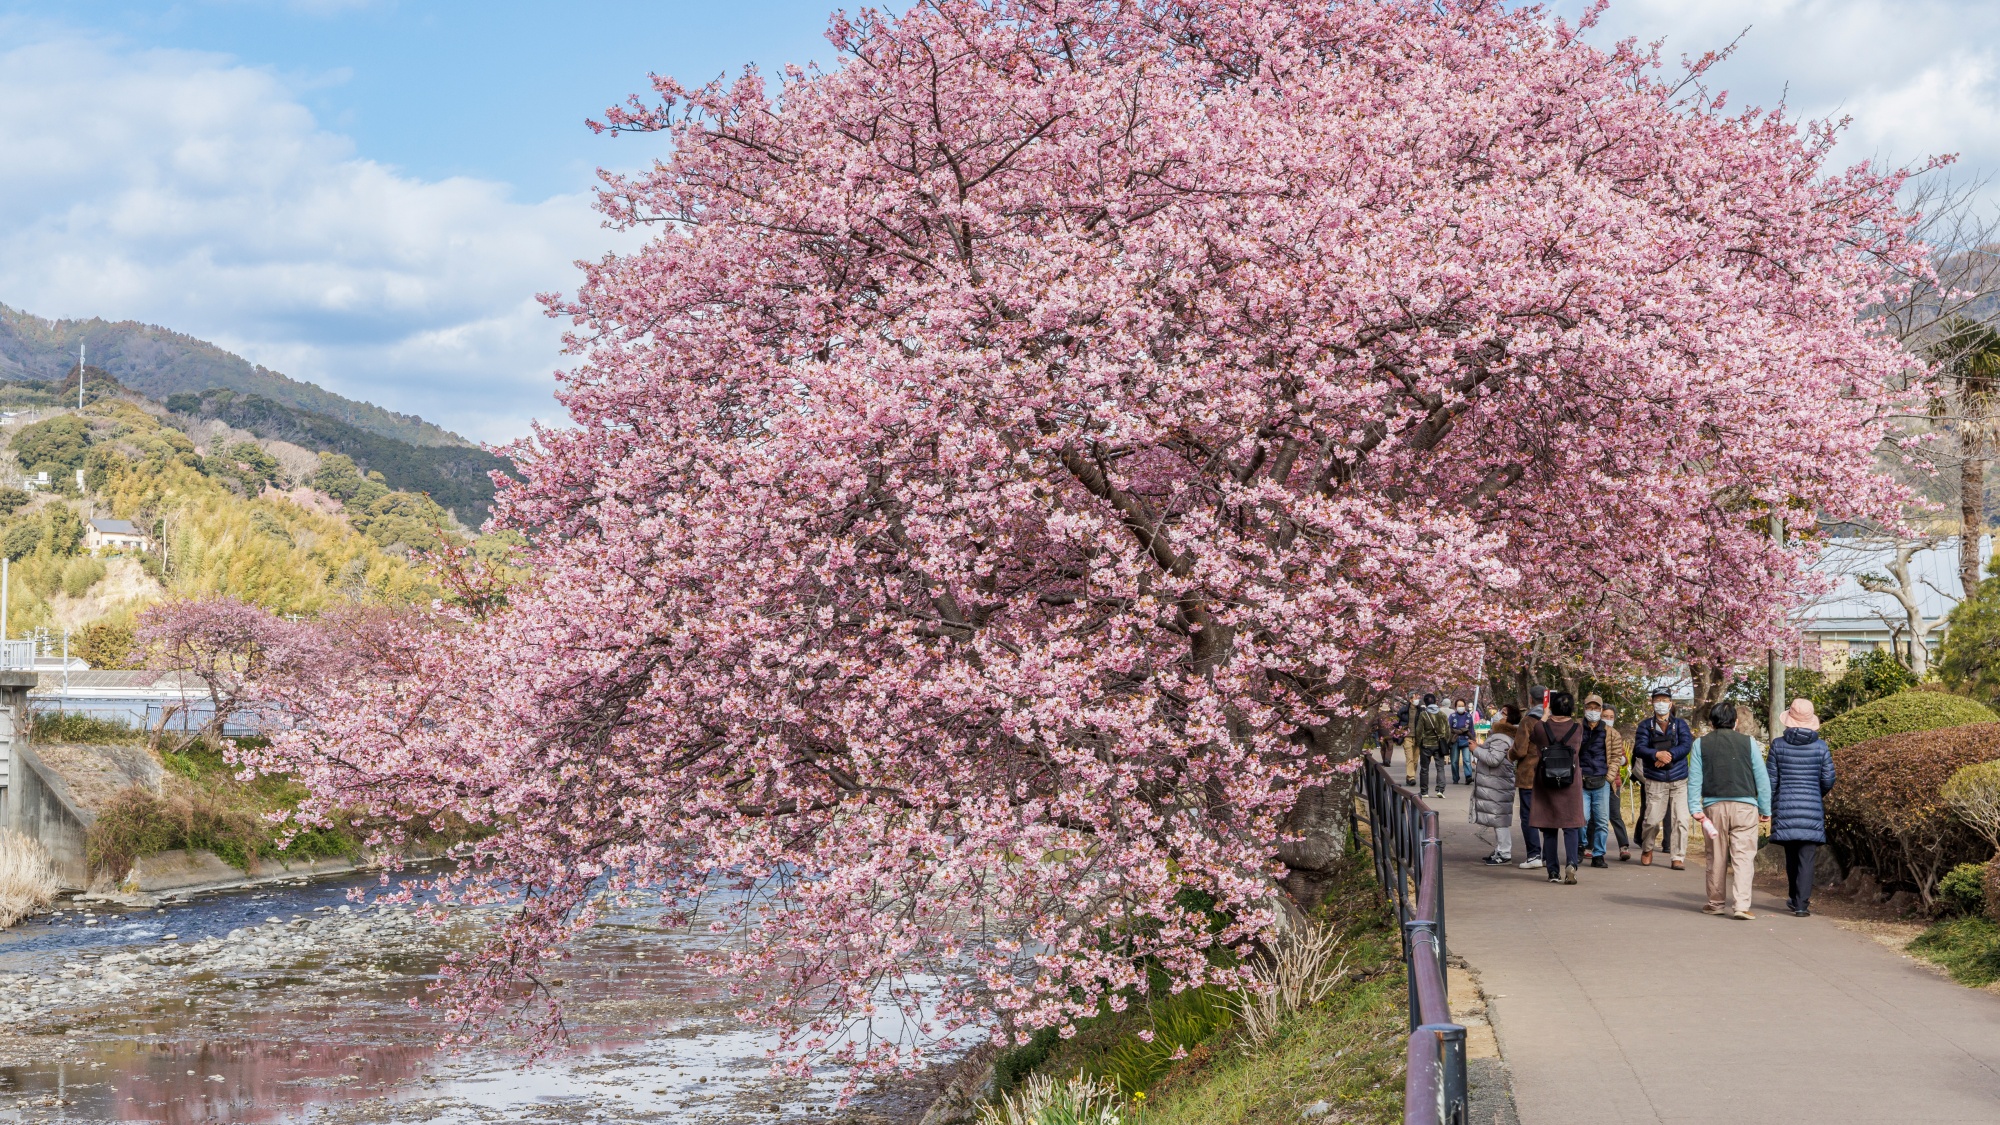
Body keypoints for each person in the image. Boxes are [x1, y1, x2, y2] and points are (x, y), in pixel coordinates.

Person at [1687, 699, 1771, 919]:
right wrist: (1765, 808)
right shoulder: (1749, 743)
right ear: (1735, 722)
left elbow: (1695, 779)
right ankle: (1741, 906)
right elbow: (1761, 778)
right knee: (1743, 857)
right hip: (1745, 806)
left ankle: (1715, 903)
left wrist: (1695, 807)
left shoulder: (1700, 744)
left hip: (1714, 807)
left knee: (1716, 856)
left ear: (1712, 723)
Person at [1768, 697, 1836, 917]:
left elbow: (1771, 780)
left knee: (1791, 856)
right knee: (1806, 858)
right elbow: (1828, 779)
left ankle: (1793, 896)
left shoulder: (1778, 745)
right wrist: (1817, 795)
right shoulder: (1821, 746)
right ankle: (1801, 905)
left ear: (1789, 720)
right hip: (1811, 808)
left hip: (1785, 808)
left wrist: (1769, 805)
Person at [1528, 690, 1587, 883]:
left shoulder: (1540, 728)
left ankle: (1553, 871)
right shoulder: (1577, 729)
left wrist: (1545, 716)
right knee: (1571, 826)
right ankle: (1571, 863)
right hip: (1570, 783)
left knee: (1549, 827)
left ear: (1551, 706)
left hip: (1546, 782)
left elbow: (1534, 735)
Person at [1633, 688, 1694, 869]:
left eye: (1664, 699)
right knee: (1651, 820)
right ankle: (1647, 847)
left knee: (1681, 820)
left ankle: (1678, 856)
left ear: (1670, 703)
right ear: (1652, 703)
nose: (1661, 703)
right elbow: (1639, 748)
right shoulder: (1645, 726)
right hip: (1655, 780)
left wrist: (1668, 755)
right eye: (1657, 699)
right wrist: (1656, 754)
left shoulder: (1680, 724)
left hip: (1679, 780)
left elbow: (1686, 745)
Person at [1472, 706, 1520, 864]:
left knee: (1499, 820)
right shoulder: (1503, 735)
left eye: (1504, 712)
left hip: (1497, 783)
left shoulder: (1501, 738)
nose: (1499, 714)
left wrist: (1475, 750)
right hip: (1498, 782)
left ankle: (1504, 853)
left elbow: (1493, 759)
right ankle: (1500, 850)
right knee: (1498, 819)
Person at [1577, 694, 1617, 868]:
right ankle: (1581, 846)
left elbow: (1616, 757)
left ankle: (1599, 854)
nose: (1592, 711)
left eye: (1596, 708)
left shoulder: (1611, 733)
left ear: (1601, 710)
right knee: (1581, 819)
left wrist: (1609, 777)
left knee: (1601, 820)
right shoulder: (1576, 729)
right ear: (1584, 709)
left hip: (1602, 780)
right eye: (1589, 707)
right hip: (1581, 780)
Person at [1509, 691, 1546, 869]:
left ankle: (1534, 854)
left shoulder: (1528, 721)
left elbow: (1520, 750)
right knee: (1548, 816)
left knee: (1528, 816)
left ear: (1531, 699)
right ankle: (1549, 855)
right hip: (1551, 776)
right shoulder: (1554, 720)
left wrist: (1510, 754)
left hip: (1529, 775)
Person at [1601, 704, 1633, 861]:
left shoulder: (1616, 735)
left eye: (1611, 717)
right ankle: (1589, 846)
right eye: (1605, 716)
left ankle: (1624, 846)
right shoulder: (1593, 734)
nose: (1608, 720)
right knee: (1594, 815)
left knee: (1615, 814)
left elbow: (1625, 759)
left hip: (1614, 781)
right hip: (1595, 781)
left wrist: (1620, 759)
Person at [1414, 693, 1453, 798]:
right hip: (1439, 745)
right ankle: (1440, 789)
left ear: (1425, 703)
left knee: (1424, 769)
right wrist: (1445, 742)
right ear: (1436, 702)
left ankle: (1424, 791)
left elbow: (1418, 731)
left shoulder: (1423, 714)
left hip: (1426, 744)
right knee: (1440, 767)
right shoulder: (1442, 715)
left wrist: (1419, 743)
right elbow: (1448, 731)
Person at [1449, 698, 1475, 786]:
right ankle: (1455, 778)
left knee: (1467, 760)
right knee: (1454, 761)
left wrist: (1473, 740)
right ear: (1456, 707)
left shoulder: (1468, 716)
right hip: (1455, 740)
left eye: (1462, 706)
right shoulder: (1452, 716)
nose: (1461, 707)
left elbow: (1471, 729)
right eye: (1459, 706)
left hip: (1466, 739)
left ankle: (1468, 776)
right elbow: (1449, 729)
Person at [1371, 699, 1404, 767]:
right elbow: (1396, 723)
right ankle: (1387, 759)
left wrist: (1375, 728)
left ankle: (1384, 760)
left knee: (1383, 747)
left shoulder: (1378, 715)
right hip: (1390, 733)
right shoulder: (1392, 715)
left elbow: (1375, 723)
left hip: (1381, 733)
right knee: (1389, 746)